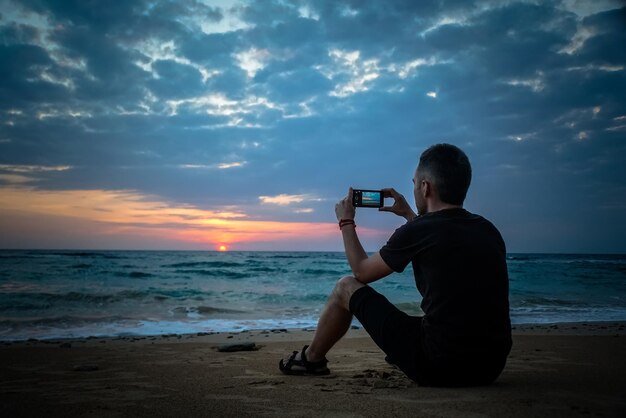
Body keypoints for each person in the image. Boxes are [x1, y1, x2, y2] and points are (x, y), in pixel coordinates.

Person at [279, 143, 512, 387]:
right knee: (431, 319)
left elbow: (361, 271)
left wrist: (346, 221)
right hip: (490, 366)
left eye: (414, 183)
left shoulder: (419, 231)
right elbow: (437, 234)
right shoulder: (487, 230)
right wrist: (410, 215)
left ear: (425, 187)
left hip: (440, 366)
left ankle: (311, 359)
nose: (413, 189)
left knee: (345, 287)